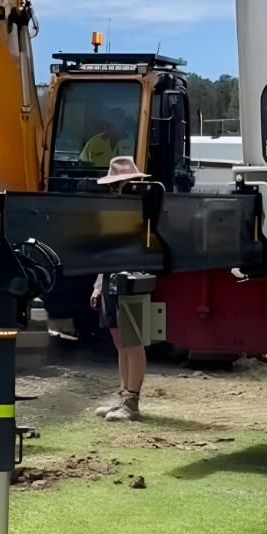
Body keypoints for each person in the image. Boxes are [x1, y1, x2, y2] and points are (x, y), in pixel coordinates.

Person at [90, 155, 149, 422]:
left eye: (121, 185)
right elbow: (105, 251)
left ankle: (131, 402)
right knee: (120, 342)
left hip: (133, 278)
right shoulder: (110, 212)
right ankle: (124, 396)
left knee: (132, 341)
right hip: (112, 279)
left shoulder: (145, 209)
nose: (116, 190)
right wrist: (98, 285)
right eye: (114, 186)